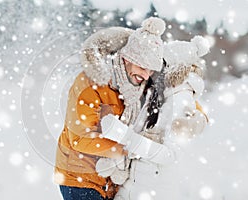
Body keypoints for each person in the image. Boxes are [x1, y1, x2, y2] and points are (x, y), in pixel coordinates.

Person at [54, 17, 166, 200]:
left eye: (151, 70)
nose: (146, 75)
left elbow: (176, 91)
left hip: (111, 181)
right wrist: (127, 150)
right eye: (142, 67)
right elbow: (80, 139)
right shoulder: (90, 83)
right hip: (80, 178)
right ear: (126, 58)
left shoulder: (137, 87)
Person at [99, 36, 210, 200]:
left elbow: (171, 155)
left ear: (170, 68)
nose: (149, 72)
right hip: (136, 187)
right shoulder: (157, 96)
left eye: (156, 66)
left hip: (154, 190)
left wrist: (125, 136)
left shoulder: (180, 100)